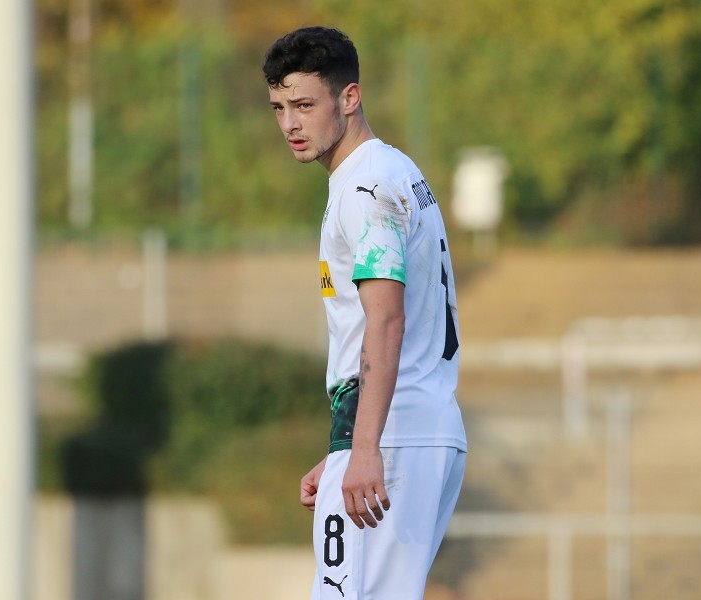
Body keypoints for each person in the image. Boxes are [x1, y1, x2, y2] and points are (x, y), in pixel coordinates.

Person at [263, 26, 467, 600]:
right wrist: (341, 448)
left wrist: (364, 447)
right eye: (279, 107)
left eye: (305, 105)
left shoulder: (364, 189)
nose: (290, 124)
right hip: (416, 431)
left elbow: (387, 320)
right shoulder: (394, 171)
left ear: (348, 98)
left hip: (394, 436)